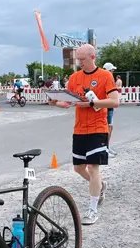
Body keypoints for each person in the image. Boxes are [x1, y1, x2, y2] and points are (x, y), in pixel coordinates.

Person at [48, 44, 119, 225]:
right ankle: (100, 185)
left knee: (94, 168)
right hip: (79, 129)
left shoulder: (105, 75)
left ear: (93, 57)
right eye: (78, 60)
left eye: (82, 59)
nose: (80, 62)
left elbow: (114, 101)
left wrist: (92, 103)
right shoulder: (75, 78)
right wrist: (55, 102)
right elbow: (68, 103)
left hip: (98, 128)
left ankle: (92, 210)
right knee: (79, 168)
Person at [102, 62, 118, 157]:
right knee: (106, 128)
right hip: (106, 107)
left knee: (110, 127)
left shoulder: (110, 80)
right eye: (111, 70)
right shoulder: (105, 80)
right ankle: (104, 148)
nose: (112, 72)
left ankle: (107, 146)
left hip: (110, 107)